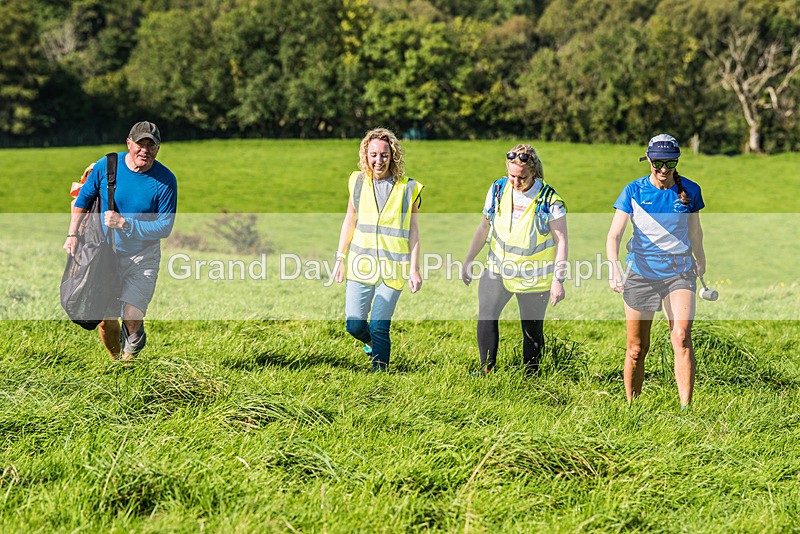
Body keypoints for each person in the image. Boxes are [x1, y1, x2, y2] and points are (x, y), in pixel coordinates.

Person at [606, 134, 706, 409]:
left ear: (677, 161)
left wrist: (701, 259)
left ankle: (686, 410)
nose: (664, 169)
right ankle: (633, 407)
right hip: (641, 273)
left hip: (679, 272)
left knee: (681, 337)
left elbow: (695, 232)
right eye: (658, 163)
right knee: (637, 348)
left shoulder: (691, 191)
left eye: (670, 163)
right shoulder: (633, 191)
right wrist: (614, 268)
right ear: (648, 160)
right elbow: (614, 236)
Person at [63, 121, 178, 361]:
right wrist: (72, 234)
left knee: (132, 317)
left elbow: (164, 226)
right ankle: (116, 362)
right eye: (140, 144)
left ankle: (128, 365)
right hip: (106, 255)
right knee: (106, 320)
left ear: (158, 148)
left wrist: (125, 224)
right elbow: (83, 199)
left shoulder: (166, 181)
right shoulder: (107, 166)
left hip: (142, 256)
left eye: (151, 145)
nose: (145, 150)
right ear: (128, 143)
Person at [462, 144, 568, 375]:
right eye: (512, 176)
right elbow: (484, 226)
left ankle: (531, 378)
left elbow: (561, 241)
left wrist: (558, 280)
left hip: (533, 277)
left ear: (534, 172)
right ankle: (486, 371)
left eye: (522, 177)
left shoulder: (550, 201)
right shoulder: (498, 189)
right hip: (498, 268)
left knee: (531, 330)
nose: (516, 182)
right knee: (487, 314)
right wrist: (469, 259)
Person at [333, 128, 423, 372]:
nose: (379, 160)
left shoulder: (409, 188)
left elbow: (414, 231)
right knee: (354, 325)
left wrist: (414, 268)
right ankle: (373, 345)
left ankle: (380, 376)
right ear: (366, 155)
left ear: (393, 156)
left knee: (379, 326)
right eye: (373, 154)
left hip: (393, 267)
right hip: (360, 264)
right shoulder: (357, 182)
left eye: (384, 155)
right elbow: (349, 220)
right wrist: (340, 257)